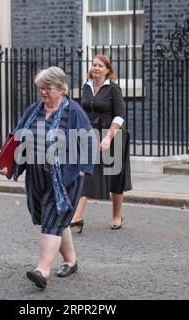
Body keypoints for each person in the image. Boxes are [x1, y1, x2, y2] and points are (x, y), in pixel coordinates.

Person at [0, 66, 95, 289]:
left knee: (52, 220)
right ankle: (71, 261)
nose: (43, 92)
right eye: (41, 88)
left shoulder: (73, 112)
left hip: (64, 178)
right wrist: (9, 166)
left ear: (61, 88)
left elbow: (88, 140)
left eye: (47, 88)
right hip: (36, 176)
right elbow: (18, 138)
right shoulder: (34, 110)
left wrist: (82, 169)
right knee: (53, 219)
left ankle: (43, 270)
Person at [70, 55, 132, 233]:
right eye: (94, 65)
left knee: (116, 178)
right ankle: (77, 216)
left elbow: (120, 115)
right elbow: (82, 111)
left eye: (100, 65)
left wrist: (108, 137)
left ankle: (116, 215)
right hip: (91, 135)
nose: (96, 68)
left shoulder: (113, 89)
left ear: (107, 70)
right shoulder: (87, 86)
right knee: (86, 171)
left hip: (112, 135)